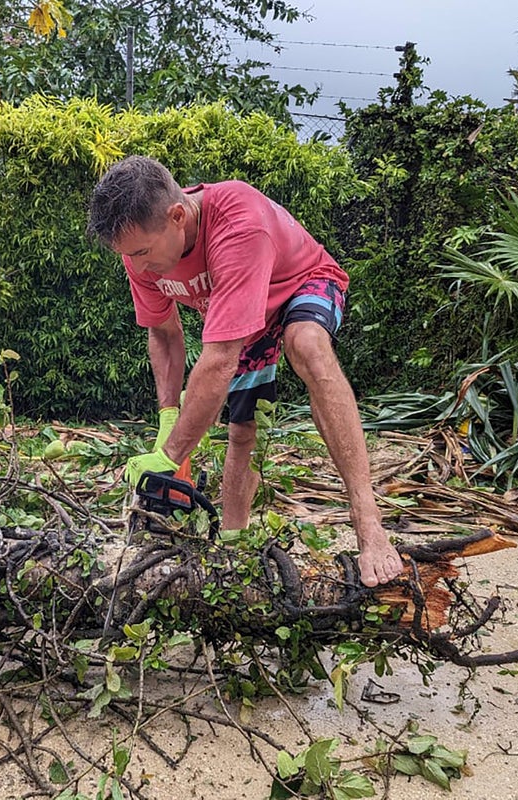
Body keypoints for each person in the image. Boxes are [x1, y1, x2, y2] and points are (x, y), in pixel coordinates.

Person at [86, 155, 402, 587]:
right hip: (243, 313)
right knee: (243, 428)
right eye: (129, 256)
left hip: (302, 283)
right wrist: (167, 423)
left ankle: (369, 525)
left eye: (142, 253)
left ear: (177, 216)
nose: (137, 267)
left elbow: (218, 359)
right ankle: (233, 548)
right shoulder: (139, 249)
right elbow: (164, 334)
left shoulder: (239, 224)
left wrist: (170, 457)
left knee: (306, 344)